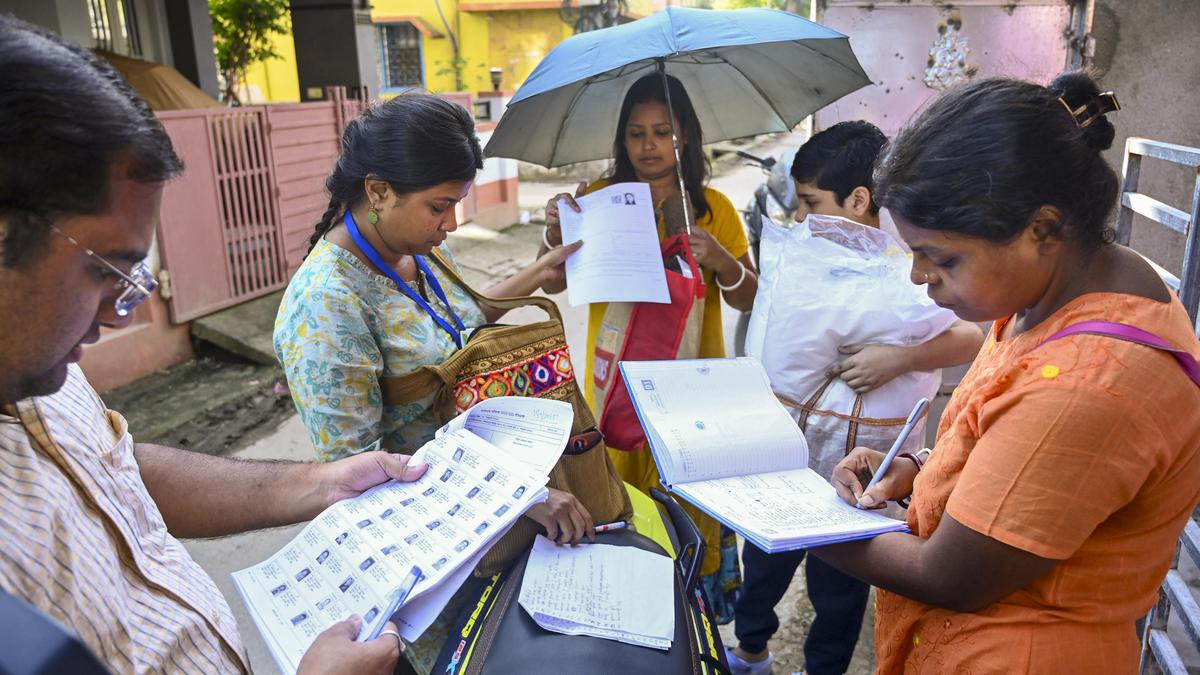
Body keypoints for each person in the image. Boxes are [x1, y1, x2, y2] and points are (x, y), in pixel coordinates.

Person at [0, 15, 427, 675]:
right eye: (103, 272)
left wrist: (320, 482)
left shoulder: (40, 370)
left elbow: (114, 469)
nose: (118, 315)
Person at [813, 72, 1200, 673]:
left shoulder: (1088, 382)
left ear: (1042, 228)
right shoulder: (1049, 295)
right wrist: (915, 474)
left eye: (941, 258)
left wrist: (800, 525)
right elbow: (1012, 452)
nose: (918, 277)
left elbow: (953, 576)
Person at [272, 93, 595, 673]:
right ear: (377, 191)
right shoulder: (325, 307)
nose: (449, 226)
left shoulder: (408, 252)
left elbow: (450, 331)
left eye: (457, 205)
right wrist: (519, 500)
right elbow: (359, 477)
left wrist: (533, 274)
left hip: (489, 525)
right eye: (439, 207)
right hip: (431, 567)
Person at [728, 122, 985, 675]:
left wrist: (901, 357)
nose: (802, 219)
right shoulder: (800, 258)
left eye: (812, 203)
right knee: (765, 562)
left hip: (865, 463)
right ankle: (750, 650)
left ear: (860, 199)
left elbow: (972, 335)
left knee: (841, 588)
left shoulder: (910, 266)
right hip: (787, 450)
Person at [540, 73, 758, 622]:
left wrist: (721, 262)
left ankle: (691, 627)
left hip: (690, 398)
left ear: (684, 135)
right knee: (615, 504)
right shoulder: (597, 200)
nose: (648, 146)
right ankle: (625, 624)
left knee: (684, 502)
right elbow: (555, 284)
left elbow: (749, 295)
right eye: (637, 134)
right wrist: (553, 232)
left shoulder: (715, 211)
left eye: (662, 132)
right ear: (623, 139)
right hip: (613, 393)